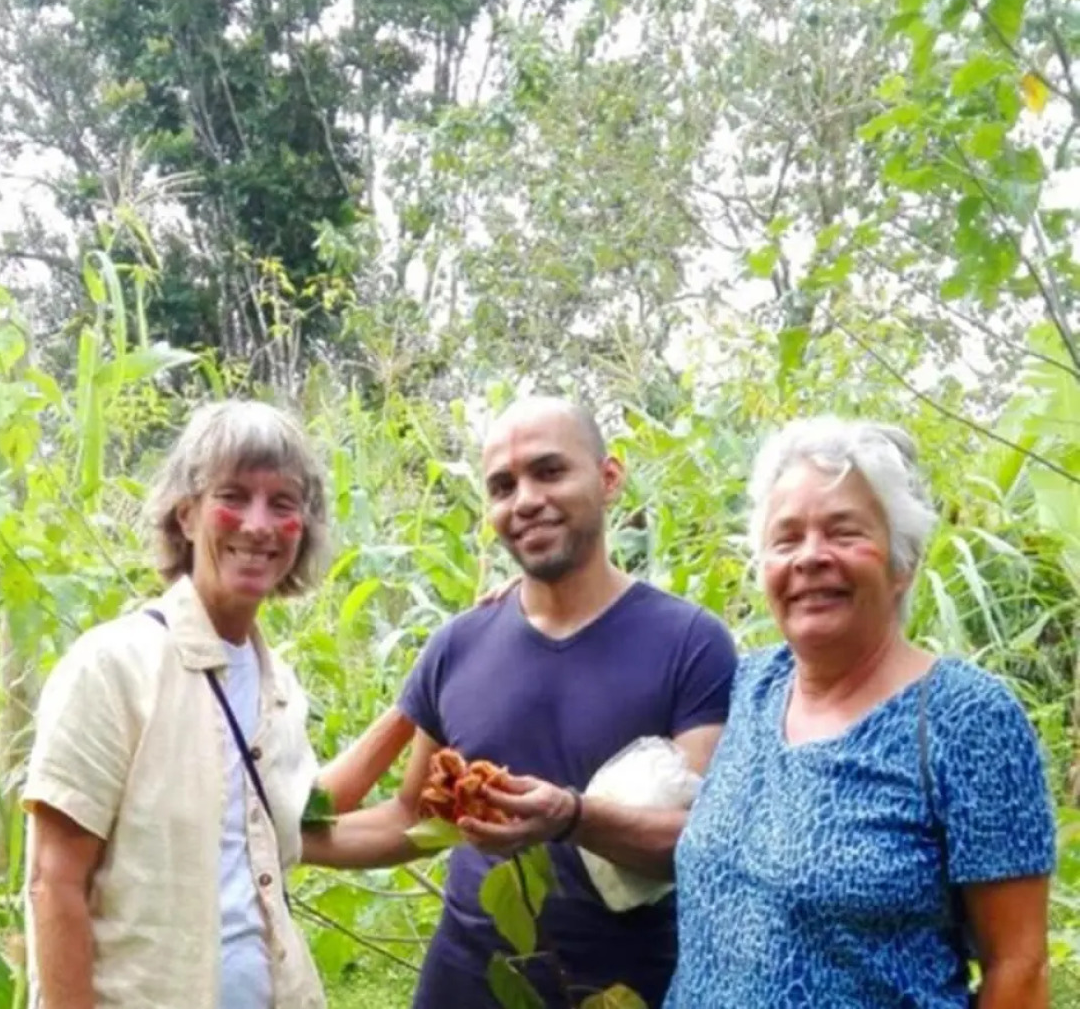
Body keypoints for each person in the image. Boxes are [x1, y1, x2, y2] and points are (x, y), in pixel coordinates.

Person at [302, 396, 738, 1008]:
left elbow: (703, 843)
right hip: (463, 986)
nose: (526, 499)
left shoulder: (691, 644)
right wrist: (267, 842)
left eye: (550, 471)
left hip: (627, 990)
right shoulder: (460, 644)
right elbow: (411, 818)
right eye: (503, 486)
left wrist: (571, 816)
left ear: (609, 478)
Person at [22, 401, 414, 1009]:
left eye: (283, 505)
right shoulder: (115, 666)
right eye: (234, 496)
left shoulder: (276, 683)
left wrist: (422, 700)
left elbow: (303, 816)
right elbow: (55, 882)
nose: (258, 526)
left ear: (302, 531)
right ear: (185, 515)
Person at [665, 417, 1055, 1009]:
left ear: (902, 562)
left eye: (844, 533)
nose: (811, 557)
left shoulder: (965, 718)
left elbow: (1018, 966)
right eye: (786, 538)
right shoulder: (751, 685)